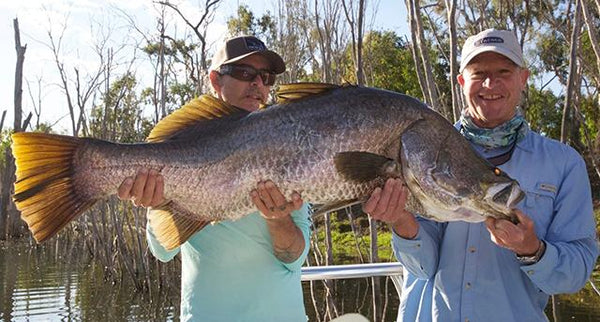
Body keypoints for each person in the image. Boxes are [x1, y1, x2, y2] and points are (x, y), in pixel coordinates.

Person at [366, 29, 599, 321]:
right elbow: (422, 268)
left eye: (503, 71)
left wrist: (532, 250)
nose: (491, 83)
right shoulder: (418, 150)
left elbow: (575, 273)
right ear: (462, 82)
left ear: (523, 79)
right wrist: (400, 219)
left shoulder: (564, 164)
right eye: (478, 73)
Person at [117, 36, 312, 322]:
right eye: (245, 73)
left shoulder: (289, 145)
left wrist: (278, 219)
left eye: (266, 77)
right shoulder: (189, 135)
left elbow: (294, 258)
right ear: (215, 81)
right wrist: (156, 203)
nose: (258, 84)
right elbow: (162, 251)